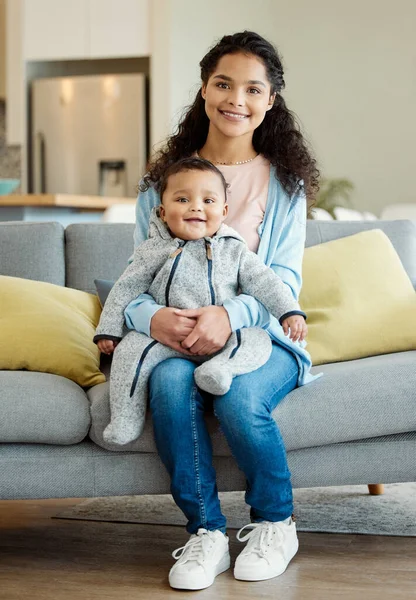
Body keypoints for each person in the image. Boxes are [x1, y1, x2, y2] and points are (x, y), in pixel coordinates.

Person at [124, 31, 319, 590]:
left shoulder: (285, 186)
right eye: (223, 84)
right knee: (167, 388)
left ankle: (276, 522)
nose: (236, 99)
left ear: (270, 101)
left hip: (263, 338)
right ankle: (205, 532)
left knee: (238, 394)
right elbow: (138, 277)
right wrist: (149, 319)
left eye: (252, 89)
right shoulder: (159, 188)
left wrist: (230, 316)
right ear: (205, 91)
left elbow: (281, 281)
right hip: (176, 337)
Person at [94, 157, 307, 446]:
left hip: (225, 339)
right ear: (162, 210)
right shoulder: (152, 251)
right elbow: (125, 288)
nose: (196, 206)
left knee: (257, 340)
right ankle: (124, 417)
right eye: (182, 199)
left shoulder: (235, 251)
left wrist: (289, 311)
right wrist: (108, 329)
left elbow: (266, 282)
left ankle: (221, 371)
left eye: (208, 200)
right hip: (169, 342)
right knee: (131, 351)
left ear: (224, 211)